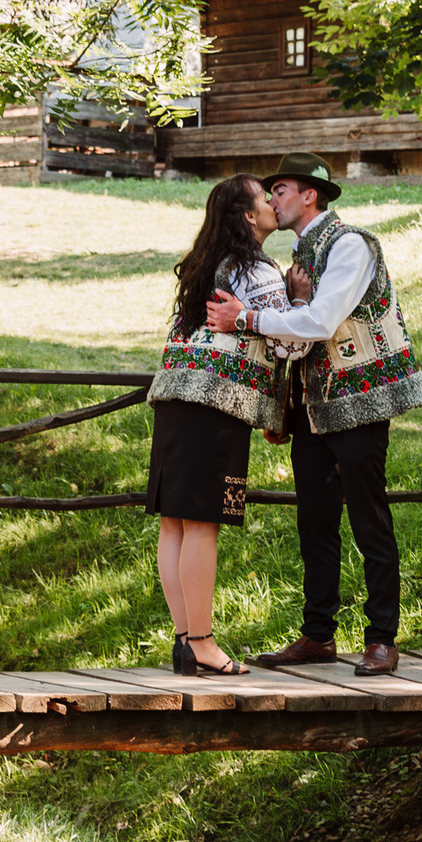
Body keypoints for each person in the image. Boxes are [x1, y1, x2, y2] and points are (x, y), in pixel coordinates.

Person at [205, 151, 422, 676]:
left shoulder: (351, 244)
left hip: (360, 403)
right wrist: (282, 406)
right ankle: (318, 635)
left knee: (369, 520)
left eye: (279, 189)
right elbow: (299, 339)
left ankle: (382, 639)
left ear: (310, 195)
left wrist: (246, 318)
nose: (272, 199)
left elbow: (321, 321)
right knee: (315, 523)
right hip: (313, 409)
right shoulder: (300, 258)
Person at [146, 174, 294, 675]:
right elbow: (288, 343)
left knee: (174, 523)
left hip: (173, 397)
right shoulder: (258, 269)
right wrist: (297, 299)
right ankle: (203, 643)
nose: (272, 203)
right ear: (249, 216)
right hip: (215, 403)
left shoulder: (205, 264)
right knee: (202, 525)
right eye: (263, 198)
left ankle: (185, 641)